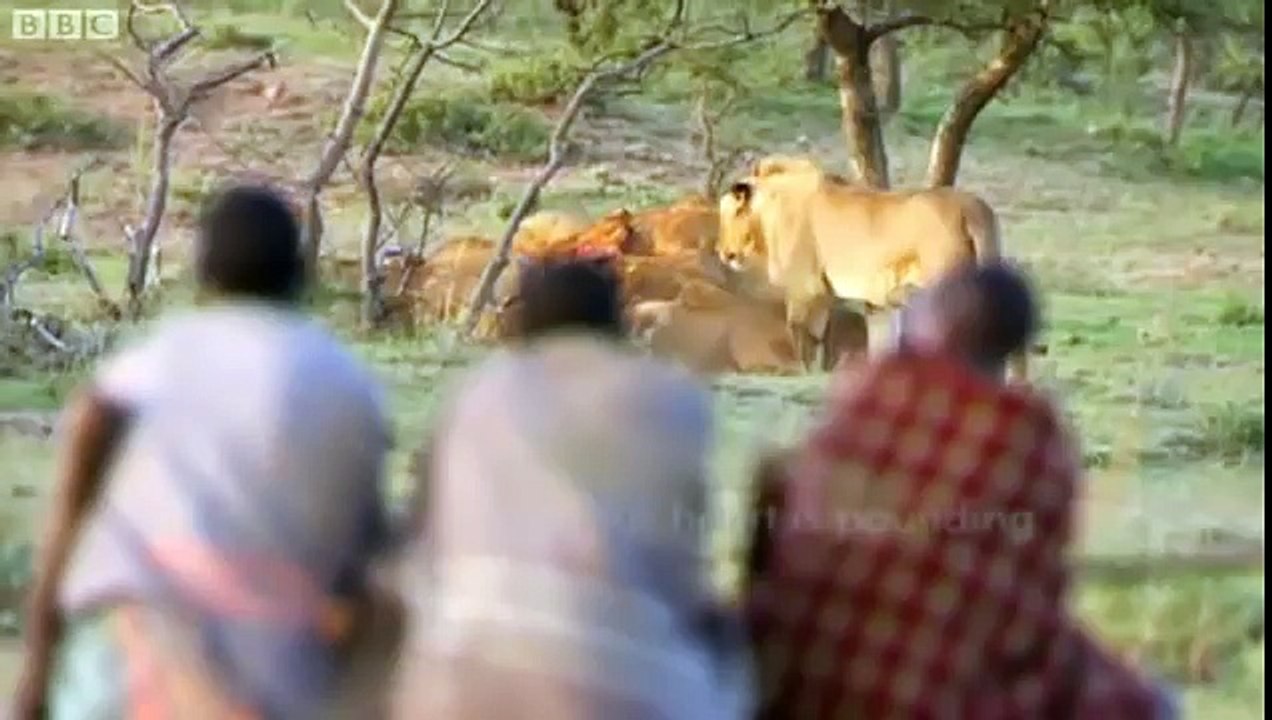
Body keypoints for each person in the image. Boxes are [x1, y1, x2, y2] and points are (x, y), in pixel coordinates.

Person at [13, 184, 397, 718]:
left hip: (130, 655)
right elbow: (361, 565)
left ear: (203, 269)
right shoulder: (353, 388)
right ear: (300, 272)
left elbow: (77, 485)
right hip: (276, 671)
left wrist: (39, 656)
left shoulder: (155, 362)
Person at [743, 262, 1175, 718]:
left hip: (807, 680)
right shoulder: (1034, 434)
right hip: (944, 696)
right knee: (1147, 702)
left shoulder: (870, 392)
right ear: (1009, 347)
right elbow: (1035, 600)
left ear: (936, 321)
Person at [392, 257, 753, 719]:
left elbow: (418, 545)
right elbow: (684, 564)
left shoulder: (476, 395)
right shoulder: (672, 401)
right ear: (616, 322)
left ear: (521, 326)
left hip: (455, 687)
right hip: (630, 689)